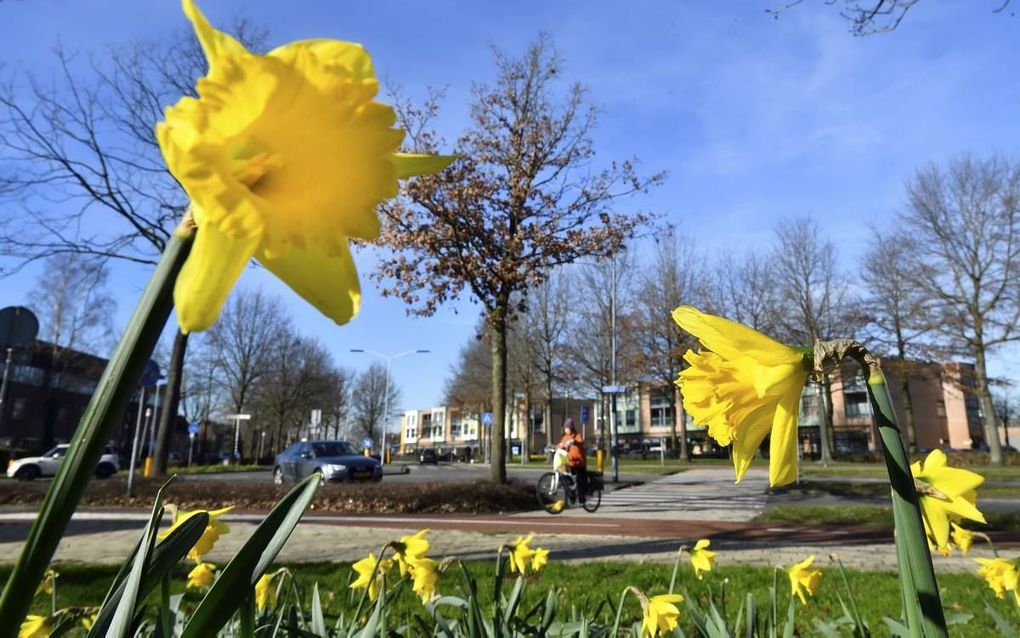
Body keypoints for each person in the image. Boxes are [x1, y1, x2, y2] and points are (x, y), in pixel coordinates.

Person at [557, 418, 588, 503]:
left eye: (568, 428)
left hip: (579, 463)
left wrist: (574, 442)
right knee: (564, 477)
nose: (566, 430)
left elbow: (580, 442)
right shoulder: (565, 438)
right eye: (565, 428)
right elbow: (560, 445)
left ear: (571, 428)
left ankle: (582, 497)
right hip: (570, 463)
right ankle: (571, 494)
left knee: (580, 481)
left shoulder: (578, 435)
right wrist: (553, 447)